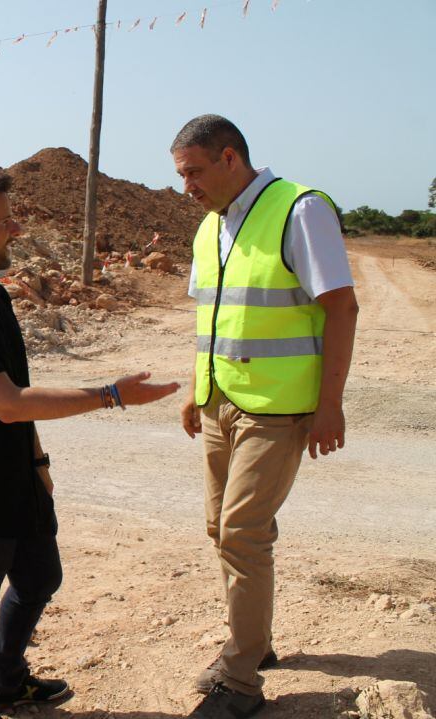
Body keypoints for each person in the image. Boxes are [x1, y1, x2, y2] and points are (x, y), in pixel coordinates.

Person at [0, 170, 179, 719]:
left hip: (17, 475)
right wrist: (110, 395)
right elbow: (8, 402)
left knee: (40, 577)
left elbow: (21, 398)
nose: (17, 228)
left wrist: (37, 460)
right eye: (5, 220)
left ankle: (7, 678)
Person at [172, 115, 359, 719]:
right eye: (180, 176)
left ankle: (241, 680)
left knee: (241, 533)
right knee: (219, 529)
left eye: (195, 172)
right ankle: (255, 642)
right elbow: (216, 316)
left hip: (278, 407)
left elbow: (341, 307)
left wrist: (330, 404)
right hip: (221, 399)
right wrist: (197, 389)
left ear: (231, 158)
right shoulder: (209, 227)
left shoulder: (299, 209)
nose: (187, 187)